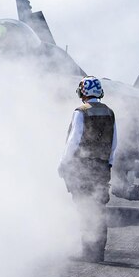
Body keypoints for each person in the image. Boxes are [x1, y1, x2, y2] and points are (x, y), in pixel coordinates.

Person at [58, 76, 118, 262]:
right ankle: (97, 252)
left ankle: (87, 251)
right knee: (98, 208)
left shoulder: (80, 112)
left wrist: (63, 163)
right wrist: (108, 163)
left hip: (82, 167)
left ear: (82, 92)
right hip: (102, 167)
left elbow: (74, 141)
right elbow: (114, 143)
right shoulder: (109, 112)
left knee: (85, 208)